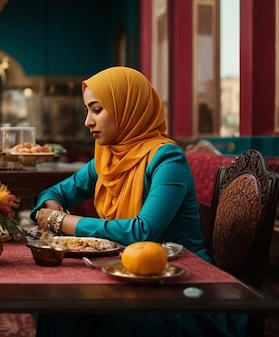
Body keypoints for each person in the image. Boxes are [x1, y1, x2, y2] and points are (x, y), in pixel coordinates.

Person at [30, 66, 247, 337]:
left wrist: (61, 221)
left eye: (97, 109)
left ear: (128, 108)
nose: (88, 121)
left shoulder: (167, 159)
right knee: (60, 305)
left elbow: (142, 231)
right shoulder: (107, 159)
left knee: (104, 317)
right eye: (88, 110)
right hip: (124, 271)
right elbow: (52, 194)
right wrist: (49, 207)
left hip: (179, 281)